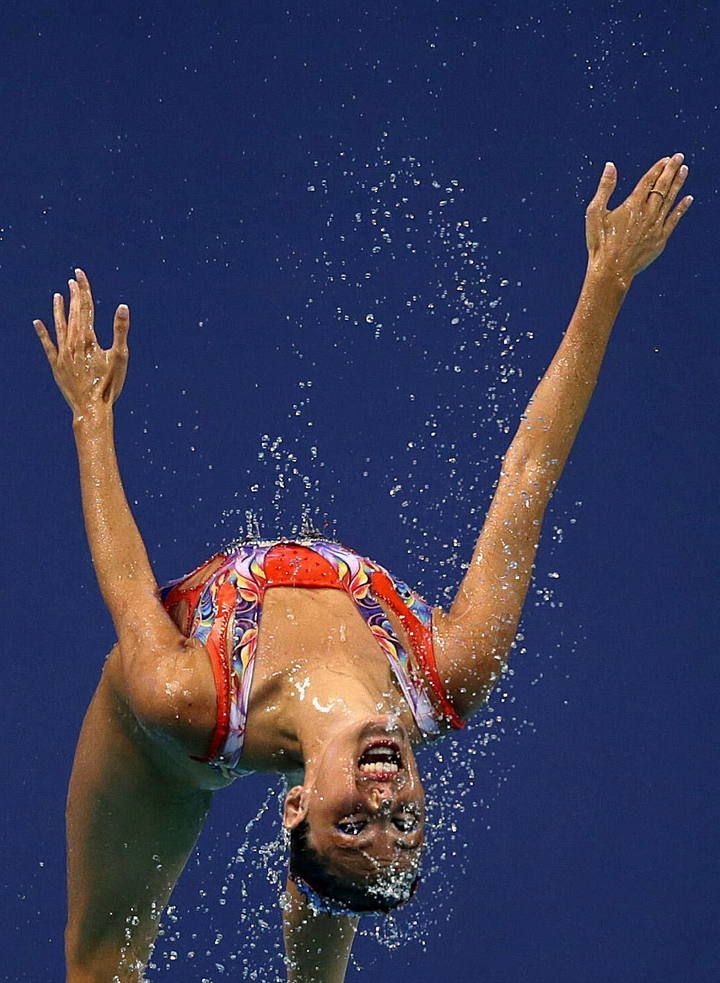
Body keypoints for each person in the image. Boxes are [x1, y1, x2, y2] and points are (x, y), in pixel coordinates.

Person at [34, 154, 692, 983]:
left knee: (99, 963)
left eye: (355, 825)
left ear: (298, 806)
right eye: (405, 824)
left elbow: (130, 589)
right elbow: (528, 472)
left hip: (162, 753)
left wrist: (90, 419)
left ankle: (323, 890)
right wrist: (607, 282)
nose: (386, 807)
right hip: (292, 781)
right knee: (343, 903)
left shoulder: (185, 699)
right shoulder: (450, 668)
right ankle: (326, 916)